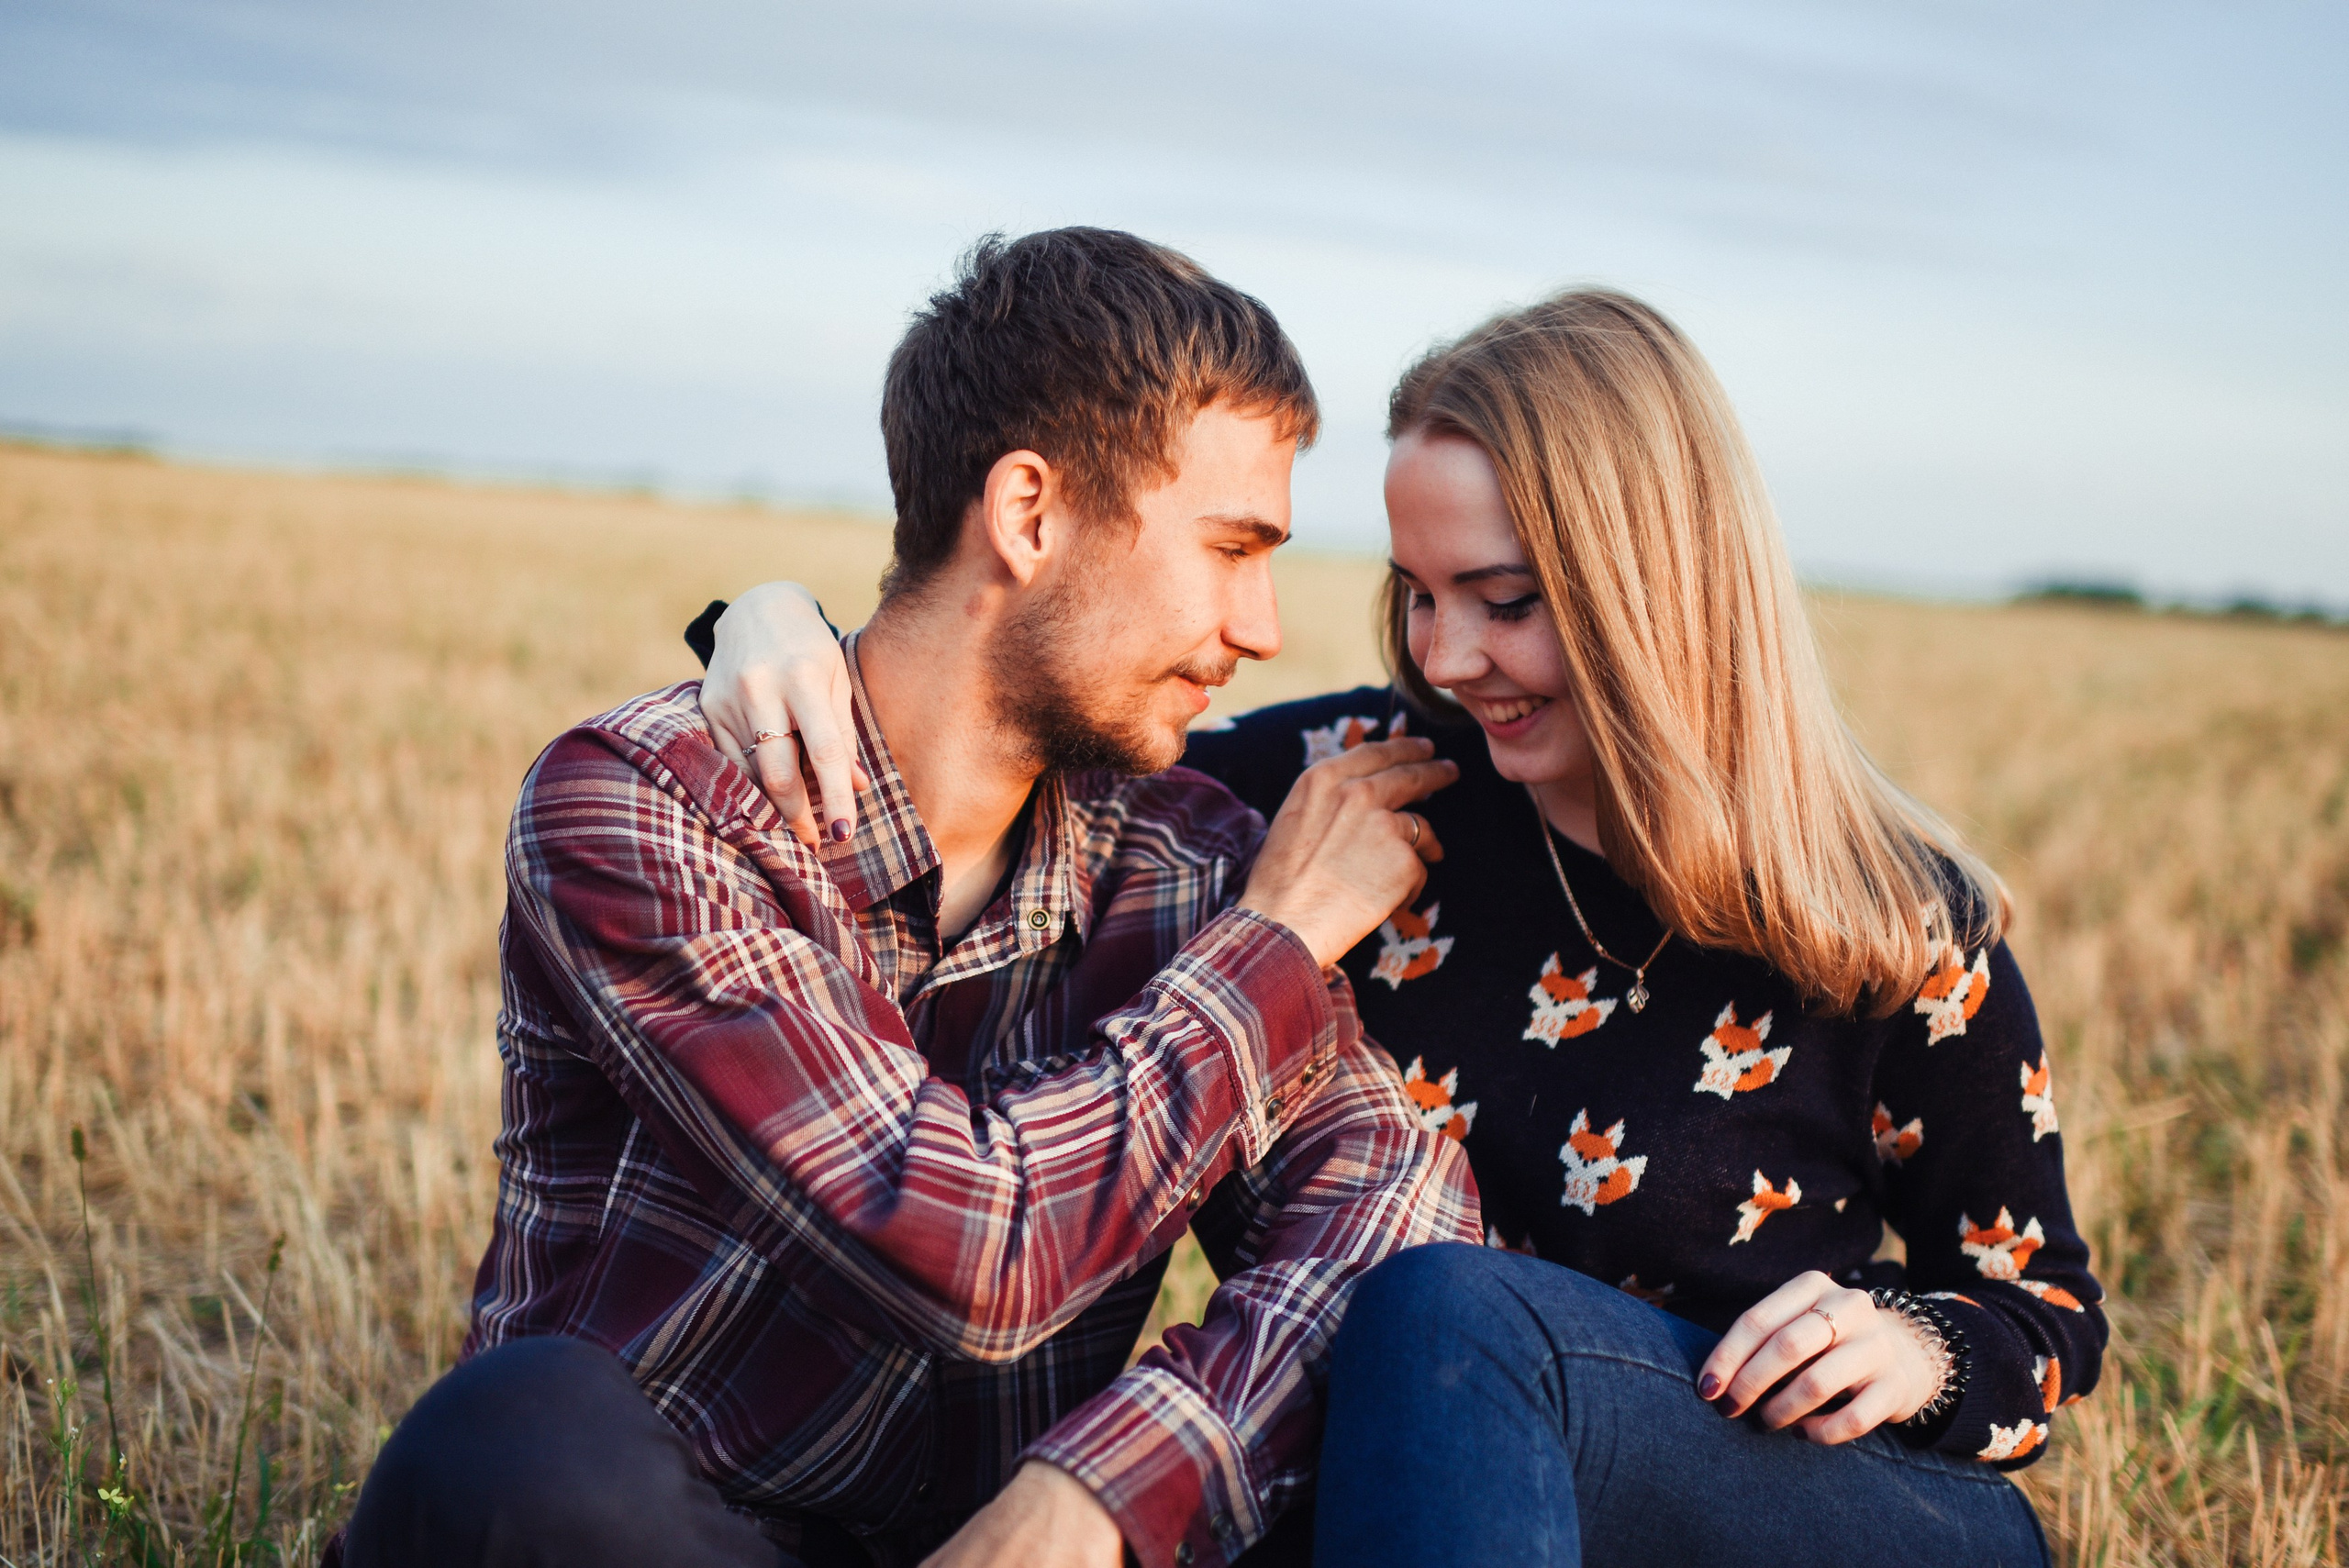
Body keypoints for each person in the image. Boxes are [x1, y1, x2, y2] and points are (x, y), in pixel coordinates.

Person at [699, 289, 2106, 1566]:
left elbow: (2045, 1316)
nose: (1442, 657)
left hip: (1796, 1509)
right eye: (1418, 596)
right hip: (1439, 1503)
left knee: (1442, 1313)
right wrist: (767, 627)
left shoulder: (1894, 917)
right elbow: (1016, 723)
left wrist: (1921, 1349)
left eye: (1503, 602)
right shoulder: (1373, 789)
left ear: (1654, 586)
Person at [335, 228, 1479, 1568]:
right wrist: (1274, 948)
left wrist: (1101, 1491)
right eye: (1232, 547)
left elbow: (1403, 1225)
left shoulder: (1185, 860)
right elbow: (964, 1242)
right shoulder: (651, 804)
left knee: (1342, 1440)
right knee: (509, 1446)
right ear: (1029, 514)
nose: (1265, 626)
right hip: (661, 1532)